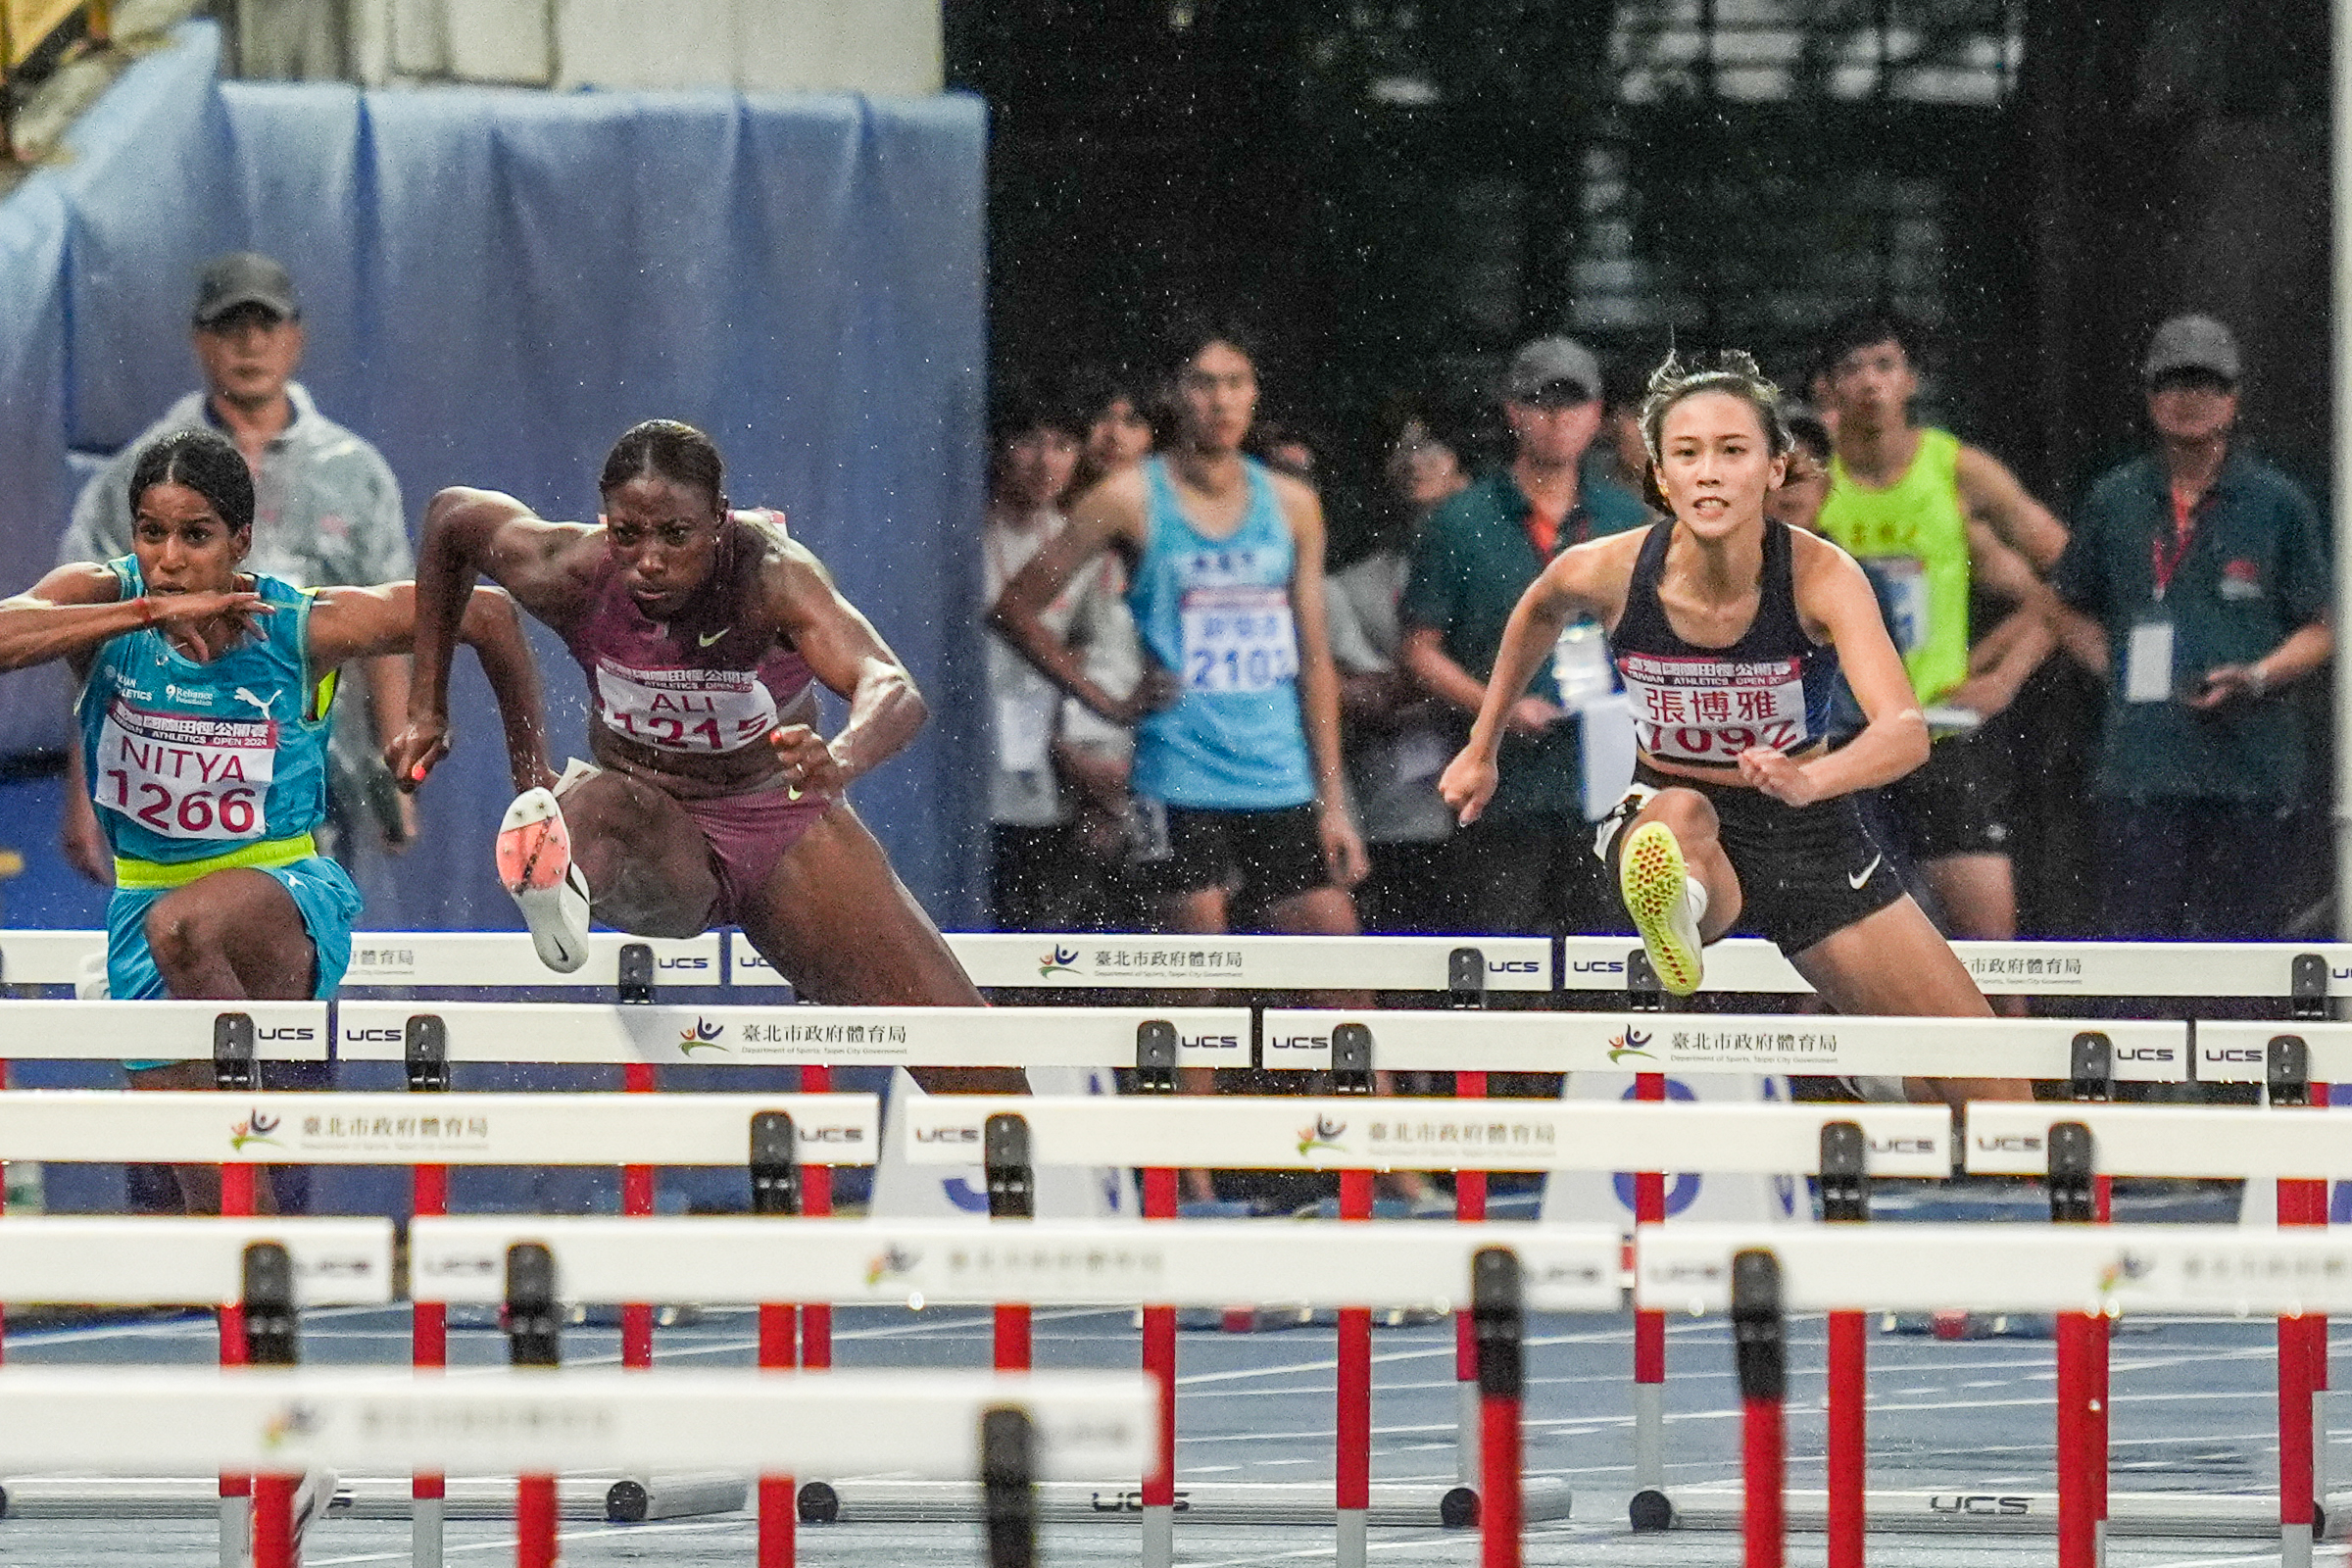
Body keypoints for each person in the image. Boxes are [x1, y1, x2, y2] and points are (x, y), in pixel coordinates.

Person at [1438, 352, 2025, 1107]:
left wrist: (1811, 777)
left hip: (1809, 835)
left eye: (1732, 451)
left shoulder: (1822, 576)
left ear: (1775, 468)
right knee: (1681, 816)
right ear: (1660, 476)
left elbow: (1905, 733)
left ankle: (1887, 1077)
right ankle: (1677, 910)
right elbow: (1539, 609)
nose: (1709, 474)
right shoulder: (1609, 569)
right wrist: (1481, 746)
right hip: (1672, 814)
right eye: (1687, 454)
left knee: (1999, 1098)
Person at [0, 428, 551, 1208]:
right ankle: (269, 1256)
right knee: (222, 1210)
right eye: (151, 533)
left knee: (186, 930)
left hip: (284, 899)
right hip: (143, 907)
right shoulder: (102, 597)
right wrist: (140, 615)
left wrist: (523, 776)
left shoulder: (300, 625)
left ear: (241, 541)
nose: (169, 558)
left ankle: (262, 1090)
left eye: (196, 536)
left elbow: (487, 613)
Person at [399, 420, 1021, 1095]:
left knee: (978, 1069)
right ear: (604, 521)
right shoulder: (571, 570)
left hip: (780, 824)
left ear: (720, 521)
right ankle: (564, 883)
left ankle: (567, 870)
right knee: (598, 805)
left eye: (676, 535)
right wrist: (426, 705)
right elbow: (451, 519)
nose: (649, 561)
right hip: (654, 825)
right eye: (627, 534)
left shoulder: (772, 577)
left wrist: (842, 756)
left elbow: (891, 686)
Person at [992, 321, 1401, 1202]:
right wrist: (1107, 702)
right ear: (1175, 395)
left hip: (1280, 772)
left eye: (1237, 382)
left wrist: (1335, 800)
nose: (1221, 400)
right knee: (1197, 982)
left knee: (1339, 969)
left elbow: (1314, 656)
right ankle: (1191, 1185)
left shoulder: (1291, 503)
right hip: (1178, 774)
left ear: (1255, 395)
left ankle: (1388, 1172)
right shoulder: (1129, 498)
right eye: (1204, 383)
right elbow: (1016, 608)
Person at [58, 253, 419, 883]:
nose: (250, 345)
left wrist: (398, 769)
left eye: (266, 325)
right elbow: (88, 635)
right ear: (199, 339)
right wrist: (83, 788)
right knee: (184, 926)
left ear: (296, 336)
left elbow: (385, 631)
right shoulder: (145, 470)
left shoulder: (354, 472)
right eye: (230, 327)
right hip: (174, 758)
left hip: (320, 765)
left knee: (313, 924)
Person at [2050, 315, 2333, 941]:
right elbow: (2064, 601)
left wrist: (2256, 675)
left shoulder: (2277, 503)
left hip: (2250, 773)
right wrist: (2114, 665)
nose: (2189, 399)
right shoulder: (2116, 497)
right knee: (2139, 950)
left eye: (2206, 384)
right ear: (2150, 398)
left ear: (2233, 399)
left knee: (2242, 953)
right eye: (2173, 383)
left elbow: (2323, 629)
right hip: (2142, 770)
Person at [1811, 311, 2069, 957]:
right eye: (1852, 369)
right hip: (1843, 740)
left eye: (1885, 365)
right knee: (1832, 952)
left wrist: (2003, 675)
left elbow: (2071, 576)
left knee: (1993, 954)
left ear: (1912, 379)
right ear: (1827, 389)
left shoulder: (1954, 469)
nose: (1870, 383)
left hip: (1939, 732)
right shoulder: (1810, 483)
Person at [1400, 336, 1650, 938]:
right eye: (1541, 401)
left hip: (1611, 780)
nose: (1557, 417)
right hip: (1501, 787)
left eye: (1573, 402)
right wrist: (1499, 706)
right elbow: (1418, 651)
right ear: (1512, 410)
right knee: (1497, 957)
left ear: (1597, 415)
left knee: (1611, 961)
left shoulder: (1628, 520)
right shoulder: (1460, 522)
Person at [1326, 405, 1473, 932]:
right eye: (1402, 450)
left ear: (1463, 470)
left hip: (1497, 799)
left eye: (1431, 447)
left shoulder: (1500, 566)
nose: (1414, 462)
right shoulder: (1352, 585)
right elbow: (1350, 693)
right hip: (1398, 806)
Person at [981, 381, 1116, 930]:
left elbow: (1101, 654)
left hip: (1044, 771)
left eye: (1062, 446)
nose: (1045, 462)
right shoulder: (954, 536)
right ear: (999, 447)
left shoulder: (1079, 547)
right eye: (1030, 443)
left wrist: (1087, 760)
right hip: (965, 759)